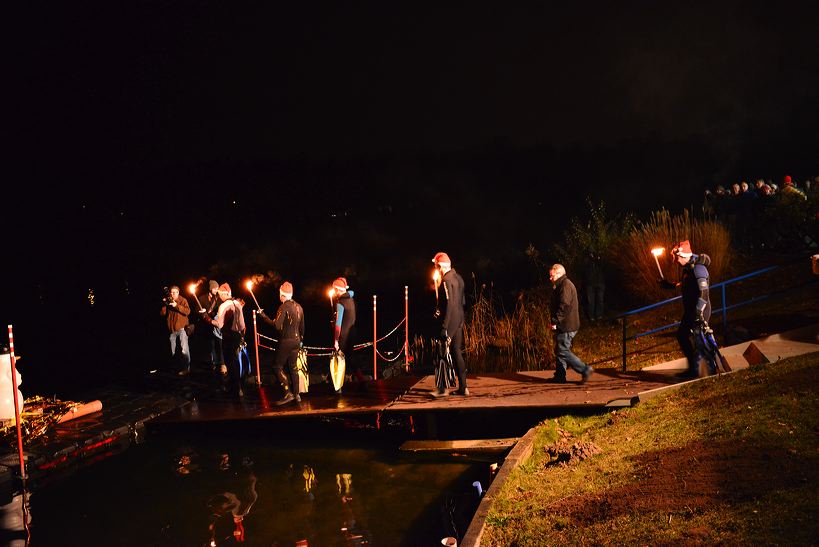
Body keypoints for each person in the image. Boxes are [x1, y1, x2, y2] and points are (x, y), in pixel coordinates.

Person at [659, 240, 712, 379]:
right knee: (682, 335)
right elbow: (685, 283)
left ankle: (707, 371)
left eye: (676, 258)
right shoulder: (688, 268)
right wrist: (670, 286)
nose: (675, 261)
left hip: (700, 310)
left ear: (683, 255)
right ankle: (693, 369)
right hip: (690, 310)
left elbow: (704, 292)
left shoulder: (698, 268)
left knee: (699, 340)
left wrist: (699, 312)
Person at [259, 281, 305, 405]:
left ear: (282, 294)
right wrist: (301, 341)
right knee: (293, 368)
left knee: (277, 367)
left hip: (286, 341)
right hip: (297, 341)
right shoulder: (299, 306)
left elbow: (277, 326)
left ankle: (287, 393)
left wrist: (264, 317)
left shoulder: (284, 306)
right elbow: (302, 327)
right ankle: (297, 395)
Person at [548, 264, 594, 384]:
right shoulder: (561, 285)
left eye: (552, 276)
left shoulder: (565, 285)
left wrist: (555, 321)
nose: (550, 278)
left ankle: (585, 369)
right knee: (560, 348)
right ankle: (560, 376)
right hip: (564, 324)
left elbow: (564, 305)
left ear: (559, 274)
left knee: (562, 350)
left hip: (567, 325)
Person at [431, 252, 469, 396]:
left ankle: (442, 389)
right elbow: (462, 302)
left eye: (436, 265)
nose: (436, 268)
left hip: (451, 320)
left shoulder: (446, 280)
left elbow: (449, 304)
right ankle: (463, 387)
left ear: (440, 266)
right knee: (456, 351)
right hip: (460, 318)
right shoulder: (459, 278)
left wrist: (444, 327)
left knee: (441, 352)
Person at [207, 284, 247, 399]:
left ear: (225, 294)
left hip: (228, 337)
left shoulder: (224, 305)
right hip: (237, 336)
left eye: (220, 295)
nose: (219, 297)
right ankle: (237, 386)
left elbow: (219, 324)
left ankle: (235, 389)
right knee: (235, 361)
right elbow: (242, 325)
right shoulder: (238, 304)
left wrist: (207, 318)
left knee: (230, 363)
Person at [160, 285, 192, 375]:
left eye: (174, 292)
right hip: (172, 330)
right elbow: (162, 314)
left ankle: (186, 368)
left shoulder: (183, 300)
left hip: (182, 328)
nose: (172, 294)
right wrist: (164, 305)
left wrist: (176, 305)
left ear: (178, 293)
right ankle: (175, 367)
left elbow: (188, 311)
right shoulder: (168, 300)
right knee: (173, 350)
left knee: (184, 350)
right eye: (171, 292)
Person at [201, 280, 226, 375]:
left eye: (217, 288)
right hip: (207, 326)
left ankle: (223, 364)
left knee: (220, 345)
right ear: (211, 288)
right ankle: (214, 363)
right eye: (215, 288)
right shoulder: (202, 298)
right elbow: (197, 309)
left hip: (216, 325)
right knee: (211, 346)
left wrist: (212, 314)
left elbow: (220, 311)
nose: (216, 290)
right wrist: (202, 312)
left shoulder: (219, 298)